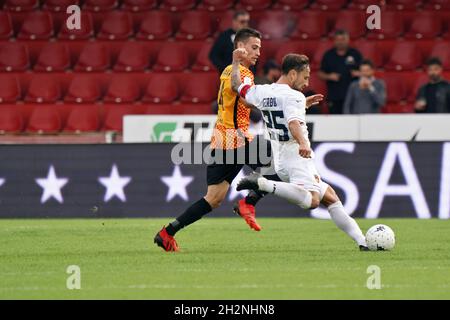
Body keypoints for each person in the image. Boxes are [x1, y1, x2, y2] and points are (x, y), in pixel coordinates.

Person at [231, 49, 368, 251]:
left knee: (330, 197)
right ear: (293, 74)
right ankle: (263, 183)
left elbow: (237, 87)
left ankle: (363, 242)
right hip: (296, 153)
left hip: (280, 156)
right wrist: (303, 142)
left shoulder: (263, 91)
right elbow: (293, 123)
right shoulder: (294, 96)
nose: (306, 83)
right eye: (305, 77)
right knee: (312, 201)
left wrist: (235, 63)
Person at [154, 28, 265, 252]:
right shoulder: (240, 72)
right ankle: (248, 202)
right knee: (278, 166)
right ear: (240, 48)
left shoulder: (227, 71)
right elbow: (238, 89)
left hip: (221, 139)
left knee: (213, 199)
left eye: (259, 49)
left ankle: (167, 233)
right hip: (237, 137)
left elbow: (241, 98)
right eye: (254, 48)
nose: (258, 53)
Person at [318, 29, 362, 114]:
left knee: (352, 122)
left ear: (348, 40)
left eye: (343, 39)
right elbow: (320, 74)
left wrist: (358, 73)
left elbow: (366, 72)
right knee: (336, 122)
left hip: (353, 96)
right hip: (335, 96)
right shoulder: (328, 55)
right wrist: (329, 76)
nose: (340, 42)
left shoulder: (355, 54)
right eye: (338, 40)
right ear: (334, 41)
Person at [209, 10, 250, 74]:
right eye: (242, 22)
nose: (245, 24)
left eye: (247, 21)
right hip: (228, 76)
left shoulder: (251, 36)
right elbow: (213, 56)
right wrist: (226, 69)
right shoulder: (224, 36)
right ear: (234, 21)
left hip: (247, 75)